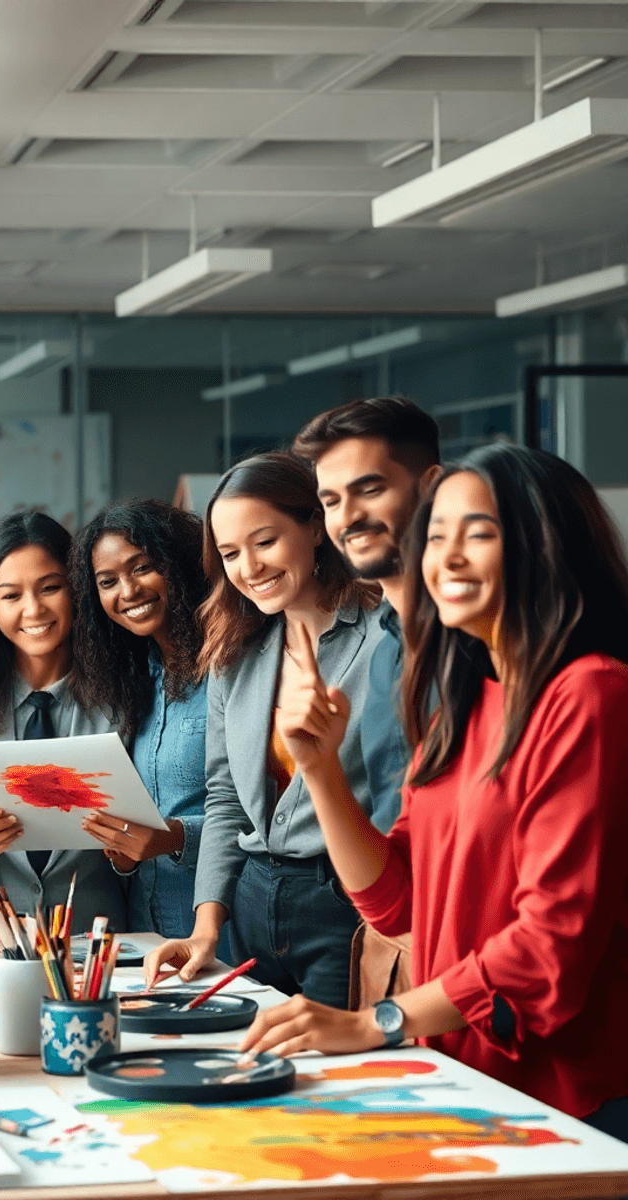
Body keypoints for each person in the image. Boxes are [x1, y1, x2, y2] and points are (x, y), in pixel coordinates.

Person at [241, 444, 628, 1138]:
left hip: (573, 1100)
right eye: (435, 536)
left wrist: (376, 1021)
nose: (445, 559)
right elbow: (397, 903)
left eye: (478, 534)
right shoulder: (463, 702)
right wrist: (319, 770)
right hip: (466, 1077)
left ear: (545, 547)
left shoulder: (590, 693)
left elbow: (550, 942)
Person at [144, 452, 380, 1007]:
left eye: (265, 541)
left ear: (316, 527)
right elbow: (226, 798)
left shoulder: (383, 640)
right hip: (252, 904)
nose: (249, 568)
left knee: (329, 1060)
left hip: (346, 904)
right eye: (230, 553)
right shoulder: (235, 648)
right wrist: (206, 929)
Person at [293, 396, 440, 1004]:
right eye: (330, 500)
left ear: (430, 487)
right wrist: (317, 766)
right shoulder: (383, 649)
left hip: (484, 960)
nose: (348, 517)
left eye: (369, 489)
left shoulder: (485, 653)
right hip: (395, 938)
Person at [0, 512, 126, 934]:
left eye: (50, 588)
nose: (34, 609)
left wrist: (124, 846)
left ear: (77, 588)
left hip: (97, 932)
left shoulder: (121, 692)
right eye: (11, 595)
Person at [69, 499, 210, 938]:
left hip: (221, 929)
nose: (128, 591)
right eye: (108, 581)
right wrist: (125, 853)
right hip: (145, 930)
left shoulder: (228, 668)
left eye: (143, 567)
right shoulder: (132, 677)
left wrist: (175, 837)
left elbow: (262, 816)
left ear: (178, 564)